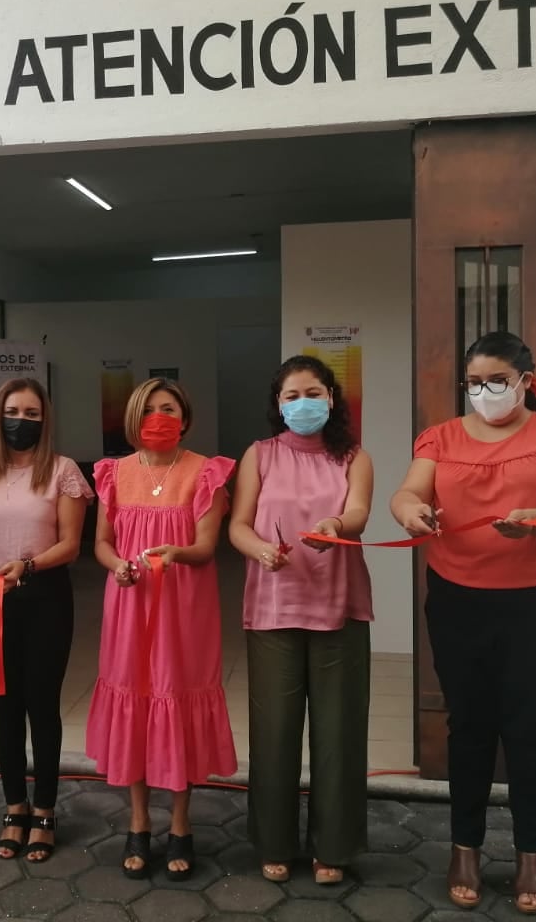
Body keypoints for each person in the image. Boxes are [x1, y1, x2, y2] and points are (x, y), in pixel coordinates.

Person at [390, 331, 536, 915]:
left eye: (497, 381)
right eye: (475, 382)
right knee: (470, 724)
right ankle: (465, 849)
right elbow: (407, 493)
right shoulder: (441, 436)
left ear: (526, 383)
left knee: (527, 723)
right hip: (457, 601)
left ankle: (532, 853)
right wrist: (412, 513)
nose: (485, 392)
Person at [227, 355, 374, 886]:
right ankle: (275, 843)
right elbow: (238, 526)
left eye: (312, 392)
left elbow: (358, 512)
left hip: (340, 607)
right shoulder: (260, 455)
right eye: (291, 396)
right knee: (275, 731)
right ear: (277, 405)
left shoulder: (354, 456)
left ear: (332, 398)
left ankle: (333, 846)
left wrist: (336, 523)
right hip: (273, 609)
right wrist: (262, 551)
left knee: (339, 731)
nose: (302, 403)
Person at [87, 378, 236, 881]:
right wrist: (117, 567)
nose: (158, 417)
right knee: (136, 698)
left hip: (183, 606)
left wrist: (175, 554)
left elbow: (206, 546)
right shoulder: (112, 473)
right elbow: (102, 543)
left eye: (168, 408)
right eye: (148, 409)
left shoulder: (207, 473)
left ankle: (180, 823)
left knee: (177, 696)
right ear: (133, 418)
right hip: (129, 603)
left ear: (185, 417)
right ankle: (136, 822)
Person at [0, 378, 92, 864]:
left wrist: (28, 567)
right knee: (4, 706)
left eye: (33, 413)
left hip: (44, 592)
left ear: (45, 420)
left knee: (42, 704)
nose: (23, 420)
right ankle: (15, 805)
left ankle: (47, 809)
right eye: (15, 411)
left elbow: (71, 545)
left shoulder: (62, 471)